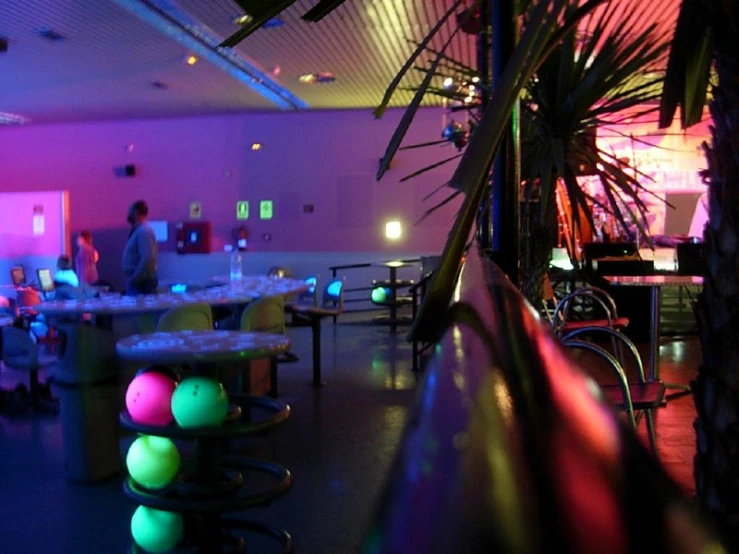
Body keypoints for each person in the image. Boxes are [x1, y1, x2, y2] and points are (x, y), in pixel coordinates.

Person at [122, 200, 158, 295]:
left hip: (142, 283)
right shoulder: (140, 231)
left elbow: (148, 258)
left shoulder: (143, 231)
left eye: (130, 211)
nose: (128, 214)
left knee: (140, 309)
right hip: (140, 281)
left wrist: (135, 279)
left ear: (136, 212)